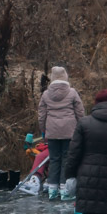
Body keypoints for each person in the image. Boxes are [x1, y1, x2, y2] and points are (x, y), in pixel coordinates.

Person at [37, 66, 85, 201]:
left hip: (52, 132)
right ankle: (65, 189)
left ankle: (52, 189)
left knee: (54, 159)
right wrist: (81, 129)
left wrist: (43, 130)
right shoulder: (72, 93)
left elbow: (41, 115)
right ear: (65, 76)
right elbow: (80, 112)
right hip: (70, 132)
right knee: (67, 160)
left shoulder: (46, 94)